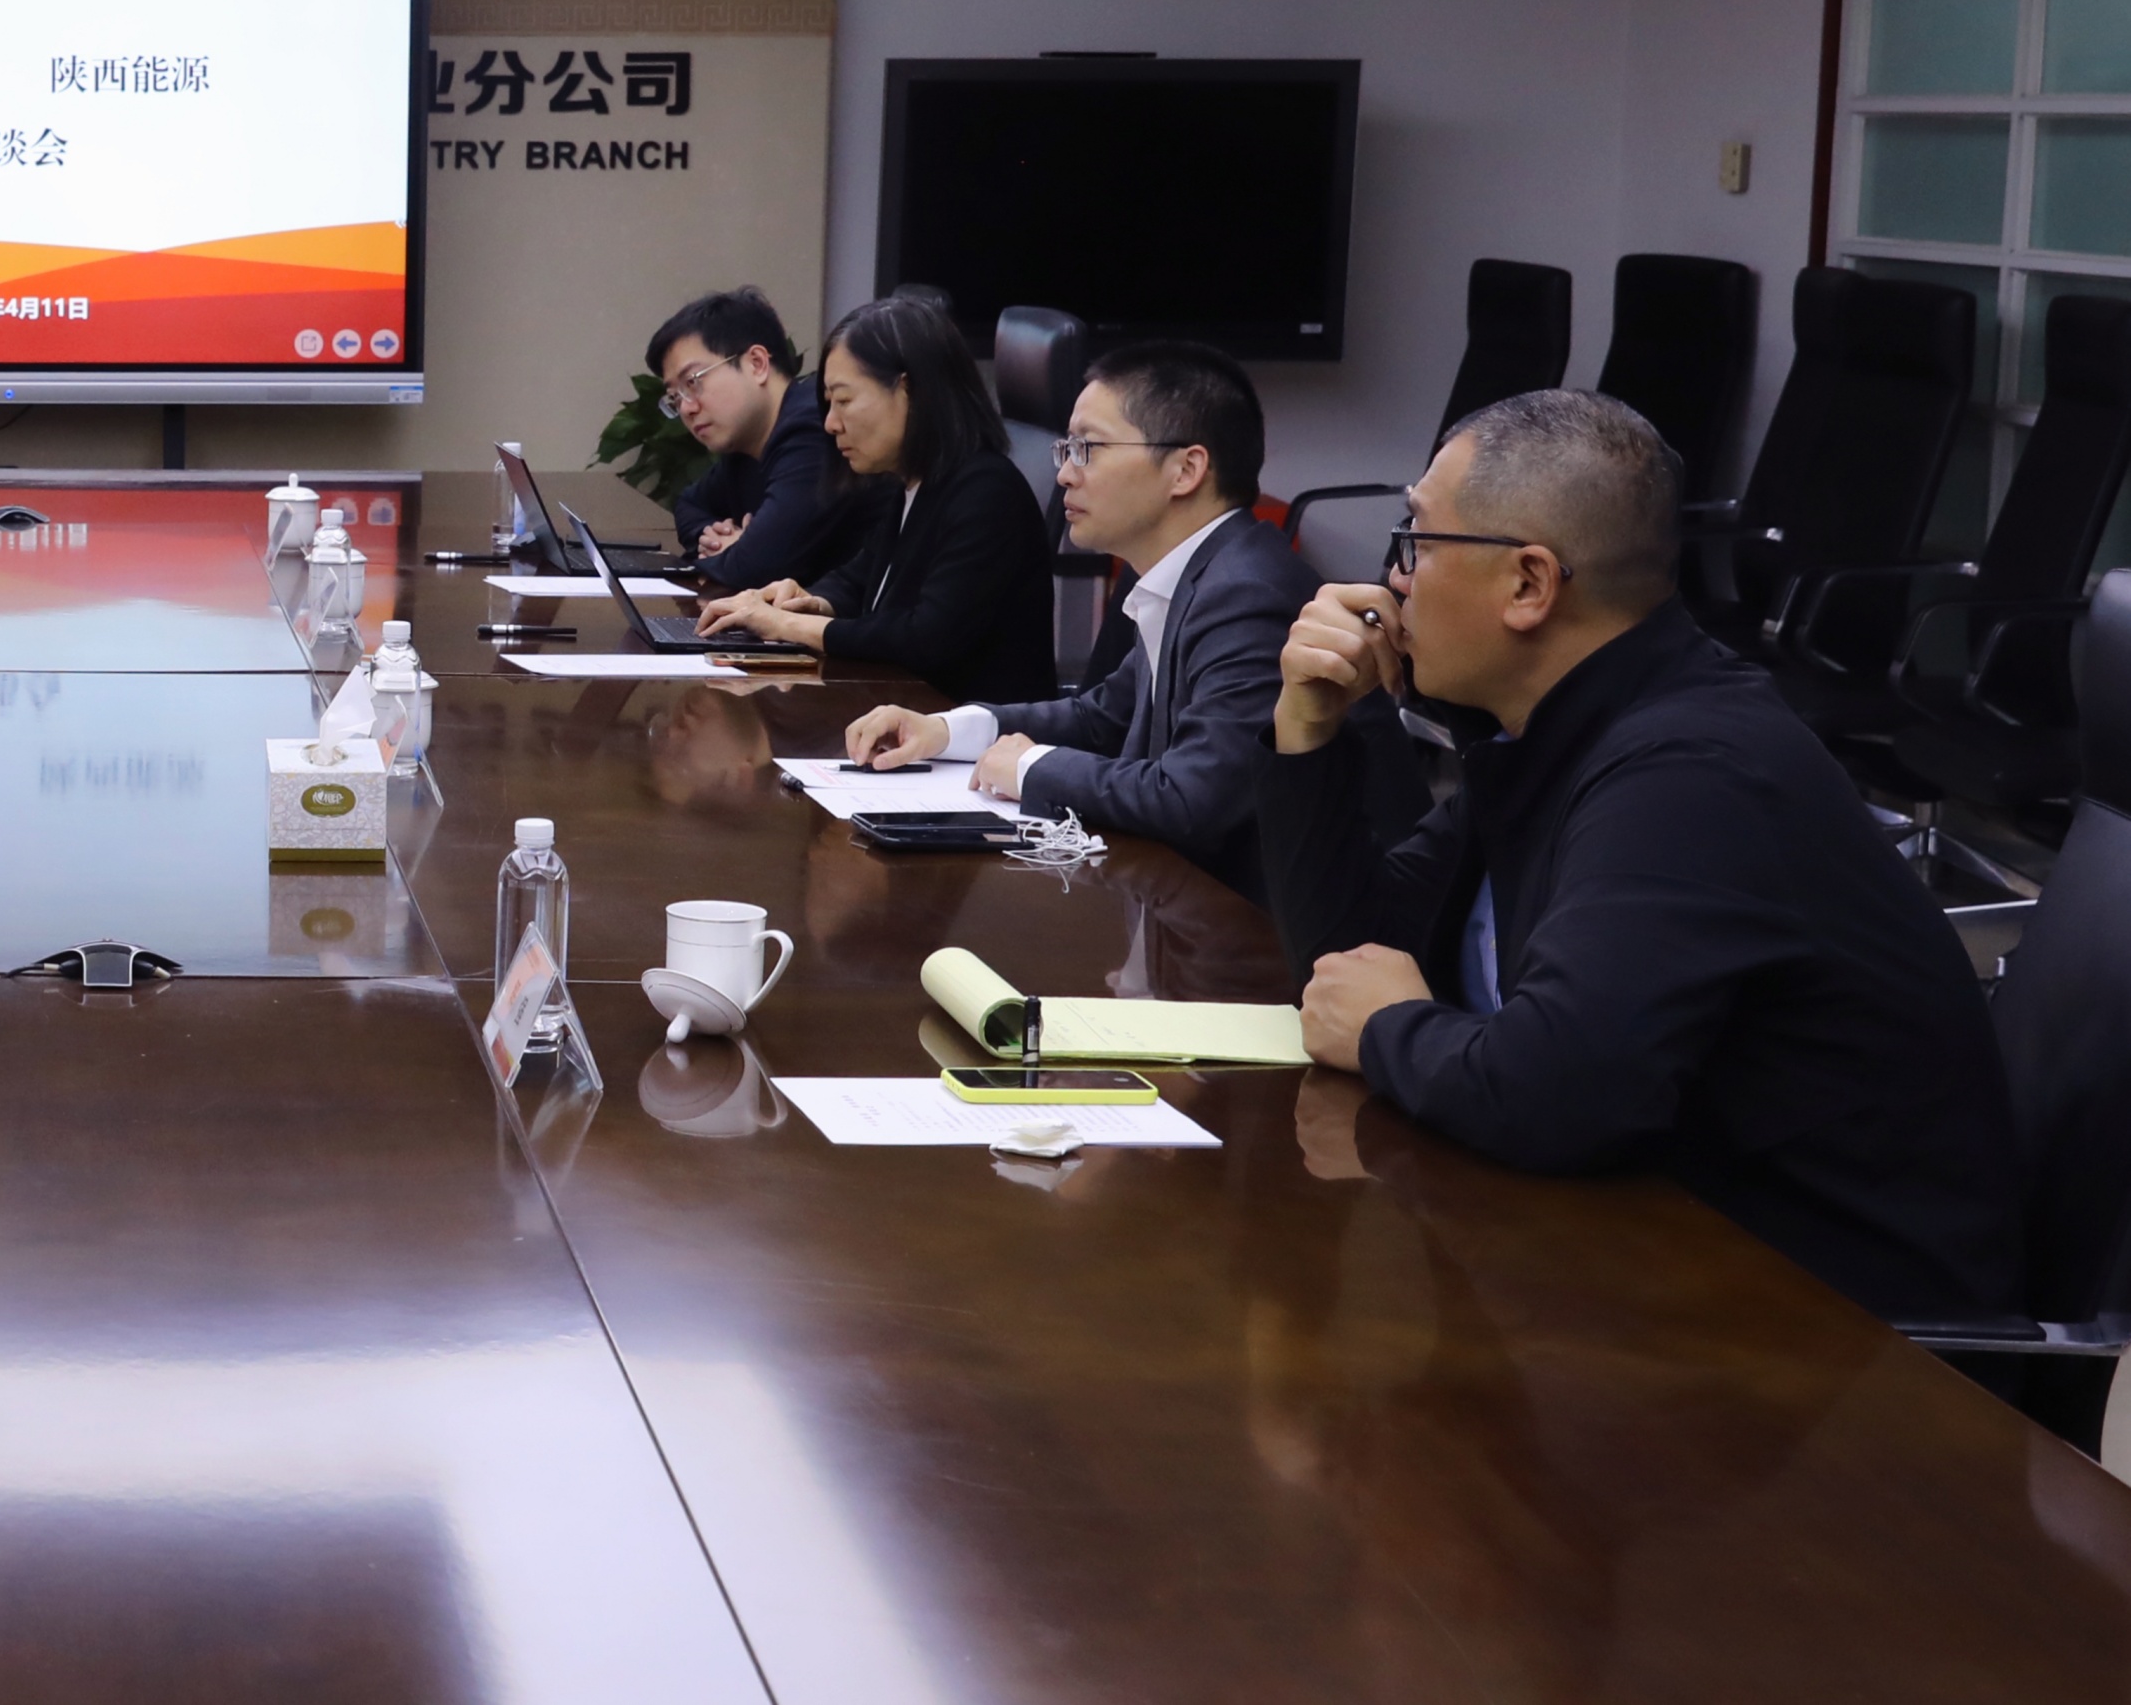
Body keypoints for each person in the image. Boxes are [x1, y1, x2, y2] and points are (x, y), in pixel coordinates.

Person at [1262, 388, 2021, 1324]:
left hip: (1841, 1343)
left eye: (1416, 539)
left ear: (1529, 584)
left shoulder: (1690, 771)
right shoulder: (1562, 730)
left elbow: (1556, 1092)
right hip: (1661, 1261)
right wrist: (1308, 731)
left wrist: (1391, 1026)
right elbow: (1343, 970)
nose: (1393, 577)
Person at [840, 341, 1316, 893]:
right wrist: (944, 730)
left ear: (1186, 470)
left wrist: (1030, 767)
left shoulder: (1247, 594)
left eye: (1087, 448)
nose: (1065, 474)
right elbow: (1102, 719)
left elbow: (1192, 798)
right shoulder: (1195, 572)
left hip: (1262, 929)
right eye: (1066, 450)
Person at [695, 293, 1056, 705]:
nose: (831, 423)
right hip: (903, 713)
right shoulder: (913, 483)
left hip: (970, 731)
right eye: (829, 404)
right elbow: (861, 579)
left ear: (908, 390)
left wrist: (786, 626)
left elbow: (925, 638)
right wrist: (809, 601)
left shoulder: (986, 491)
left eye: (844, 401)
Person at [647, 286, 868, 592]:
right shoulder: (746, 444)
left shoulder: (814, 428)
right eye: (675, 397)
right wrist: (716, 539)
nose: (686, 408)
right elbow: (690, 504)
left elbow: (757, 566)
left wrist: (742, 551)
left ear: (757, 364)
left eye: (693, 382)